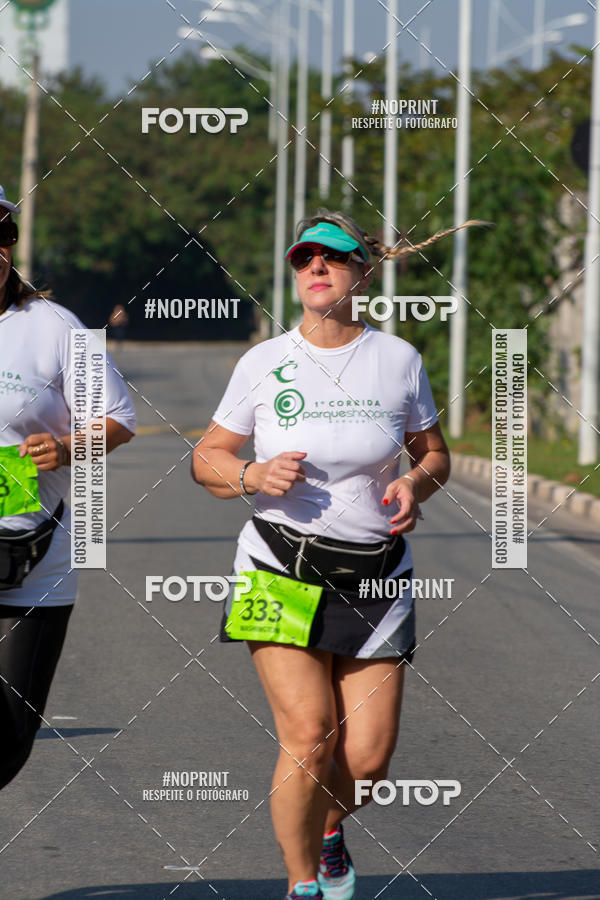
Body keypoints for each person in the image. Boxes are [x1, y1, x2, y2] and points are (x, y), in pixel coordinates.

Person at [192, 208, 483, 900]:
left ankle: (324, 829)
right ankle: (302, 885)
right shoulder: (264, 362)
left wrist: (415, 483)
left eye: (332, 255)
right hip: (276, 566)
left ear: (363, 270)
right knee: (309, 733)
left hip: (376, 575)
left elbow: (435, 454)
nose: (316, 266)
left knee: (369, 761)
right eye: (304, 257)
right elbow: (208, 458)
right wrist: (252, 474)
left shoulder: (398, 360)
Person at [0, 185, 136, 789]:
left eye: (2, 233)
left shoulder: (54, 327)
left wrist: (66, 447)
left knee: (9, 737)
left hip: (34, 556)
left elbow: (118, 418)